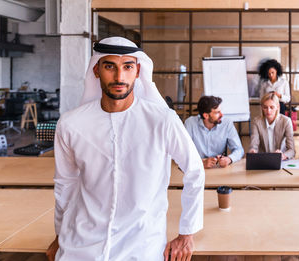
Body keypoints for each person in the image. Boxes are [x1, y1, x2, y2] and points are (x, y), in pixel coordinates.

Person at [46, 37, 205, 261]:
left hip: (142, 245)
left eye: (127, 67)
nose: (119, 77)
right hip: (81, 245)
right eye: (110, 66)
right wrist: (59, 234)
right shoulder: (71, 124)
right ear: (96, 70)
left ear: (138, 71)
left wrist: (186, 234)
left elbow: (195, 170)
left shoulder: (162, 120)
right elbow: (66, 183)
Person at [184, 96, 244, 169]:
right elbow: (183, 152)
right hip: (195, 168)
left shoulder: (227, 123)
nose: (222, 115)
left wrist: (229, 159)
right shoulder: (190, 123)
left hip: (218, 169)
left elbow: (239, 149)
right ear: (206, 115)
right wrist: (200, 162)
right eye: (217, 112)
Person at [249, 92, 295, 160]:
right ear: (262, 107)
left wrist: (284, 155)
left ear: (277, 107)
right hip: (263, 161)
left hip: (281, 161)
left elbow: (292, 150)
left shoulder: (286, 121)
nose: (268, 111)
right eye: (265, 107)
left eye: (272, 107)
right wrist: (253, 151)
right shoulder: (256, 122)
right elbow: (254, 144)